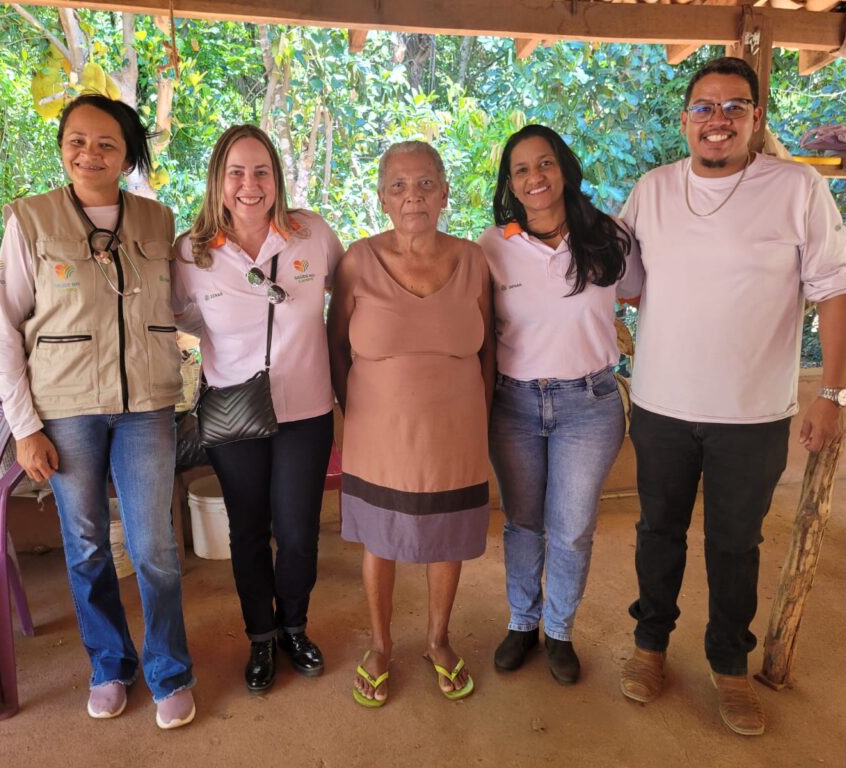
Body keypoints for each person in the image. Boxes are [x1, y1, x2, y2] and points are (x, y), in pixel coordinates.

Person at [618, 57, 846, 736]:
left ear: (756, 117)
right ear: (685, 119)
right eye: (704, 107)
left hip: (752, 415)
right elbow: (625, 281)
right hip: (662, 405)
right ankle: (649, 645)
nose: (717, 120)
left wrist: (834, 392)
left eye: (734, 107)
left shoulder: (798, 188)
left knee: (734, 544)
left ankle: (729, 664)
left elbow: (837, 290)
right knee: (657, 533)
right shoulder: (654, 190)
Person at [0, 94, 196, 729]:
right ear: (61, 148)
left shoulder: (157, 220)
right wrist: (25, 428)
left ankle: (169, 671)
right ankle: (109, 665)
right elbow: (4, 330)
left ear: (128, 156)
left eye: (106, 143)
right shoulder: (30, 219)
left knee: (154, 546)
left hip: (146, 408)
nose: (90, 154)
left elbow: (184, 304)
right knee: (85, 546)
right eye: (77, 141)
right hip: (66, 409)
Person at [171, 125, 344, 694]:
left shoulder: (311, 234)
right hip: (234, 412)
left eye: (261, 171)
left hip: (305, 411)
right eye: (237, 172)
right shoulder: (192, 252)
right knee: (247, 531)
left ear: (277, 178)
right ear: (218, 181)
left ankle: (295, 627)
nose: (250, 184)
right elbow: (179, 315)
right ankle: (261, 637)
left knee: (297, 533)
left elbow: (349, 294)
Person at [328, 141, 495, 707]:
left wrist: (481, 415)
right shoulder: (357, 261)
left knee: (446, 537)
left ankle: (438, 640)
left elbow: (489, 349)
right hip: (378, 431)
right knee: (380, 538)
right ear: (382, 198)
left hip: (456, 430)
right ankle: (380, 646)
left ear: (445, 192)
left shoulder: (473, 259)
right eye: (398, 186)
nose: (413, 196)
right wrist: (356, 411)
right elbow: (335, 346)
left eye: (425, 183)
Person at [478, 124, 642, 685]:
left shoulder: (608, 235)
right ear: (510, 184)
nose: (535, 177)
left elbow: (641, 294)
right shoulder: (492, 246)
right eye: (521, 169)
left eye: (544, 163)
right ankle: (522, 622)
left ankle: (559, 630)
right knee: (522, 522)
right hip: (514, 404)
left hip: (589, 404)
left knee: (571, 527)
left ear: (564, 168)